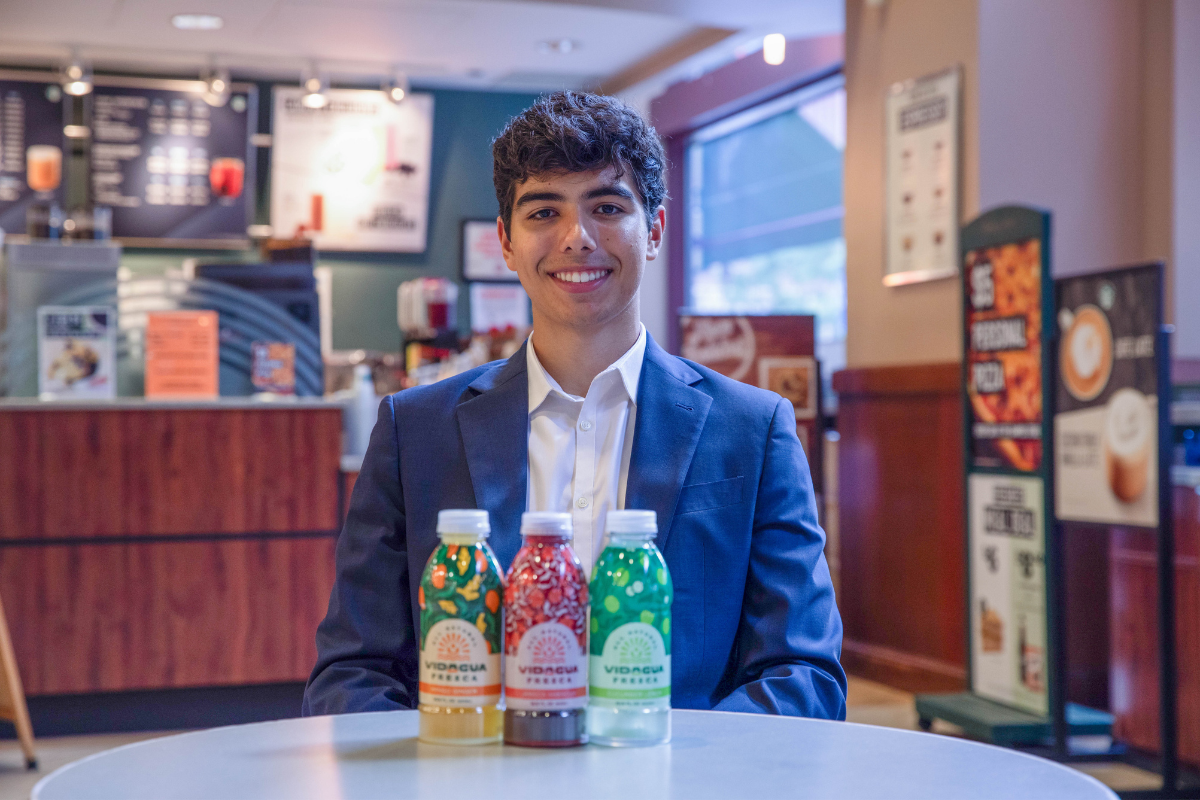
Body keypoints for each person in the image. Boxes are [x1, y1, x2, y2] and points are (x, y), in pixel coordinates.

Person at [303, 91, 846, 719]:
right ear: (506, 241)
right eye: (543, 213)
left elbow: (803, 673)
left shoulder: (753, 429)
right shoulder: (414, 431)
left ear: (655, 231)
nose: (576, 238)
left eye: (607, 207)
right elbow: (354, 672)